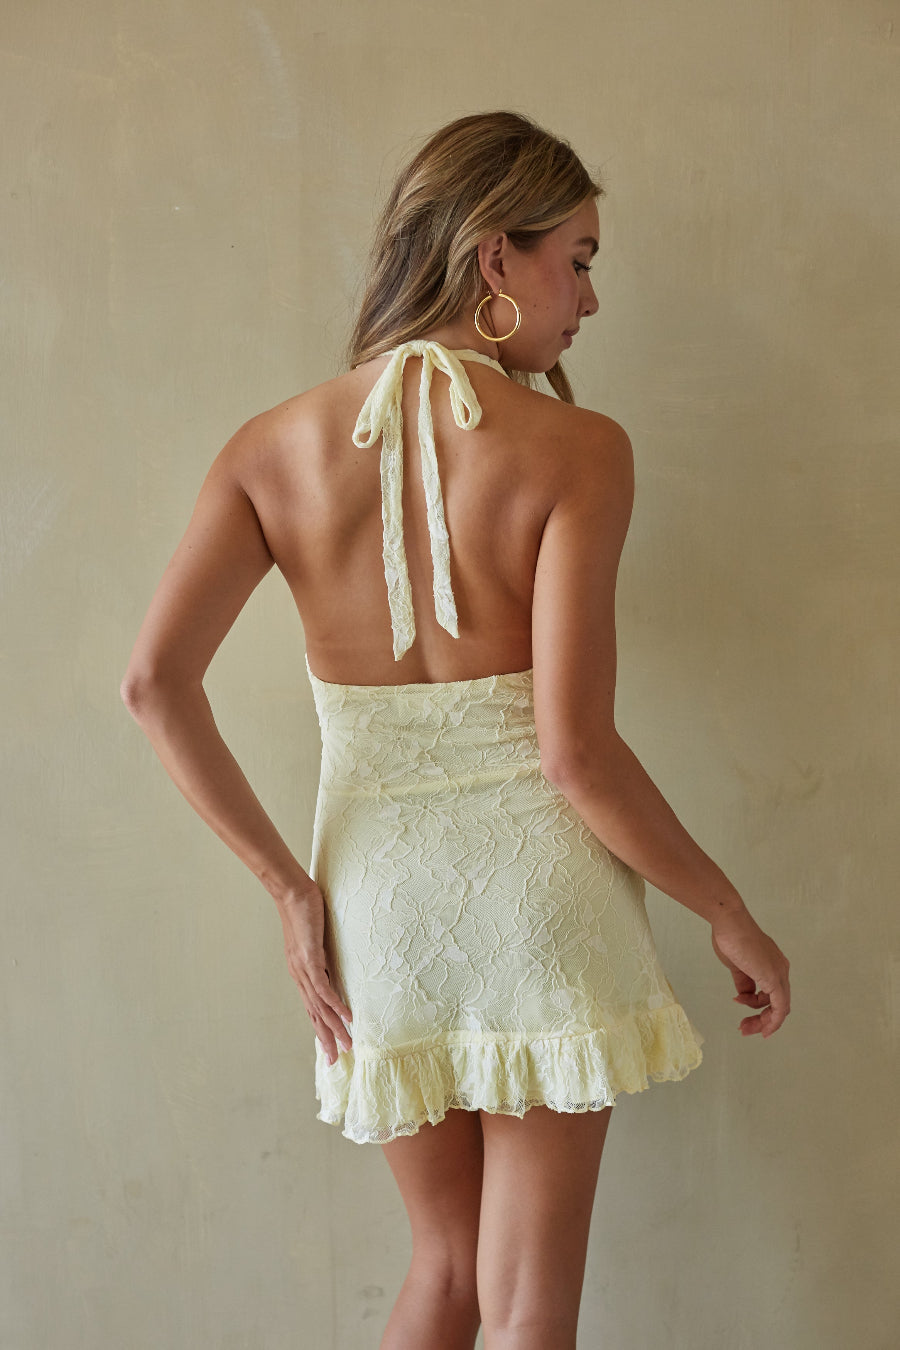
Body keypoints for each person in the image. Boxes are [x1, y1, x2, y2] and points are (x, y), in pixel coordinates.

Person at [121, 110, 790, 1350]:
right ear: (496, 259)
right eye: (576, 259)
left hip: (374, 902)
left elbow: (155, 681)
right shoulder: (579, 450)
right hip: (546, 902)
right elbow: (574, 752)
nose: (588, 299)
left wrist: (286, 888)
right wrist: (723, 907)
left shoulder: (270, 448)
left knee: (441, 1275)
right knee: (531, 1309)